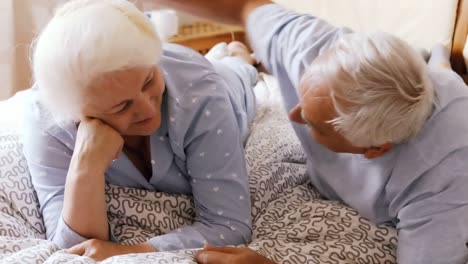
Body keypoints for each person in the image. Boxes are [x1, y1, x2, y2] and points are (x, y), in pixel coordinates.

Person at [153, 0, 468, 263]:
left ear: (374, 150)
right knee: (435, 74)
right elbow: (247, 5)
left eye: (315, 123)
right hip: (410, 78)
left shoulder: (440, 185)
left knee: (447, 83)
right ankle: (434, 61)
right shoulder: (312, 45)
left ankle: (442, 66)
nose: (293, 114)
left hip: (449, 131)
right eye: (301, 98)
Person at [22, 0, 259, 261]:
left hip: (224, 85)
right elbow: (74, 251)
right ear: (77, 112)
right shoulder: (47, 121)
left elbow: (230, 226)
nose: (147, 110)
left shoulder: (200, 90)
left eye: (149, 81)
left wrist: (130, 251)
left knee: (236, 73)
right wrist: (85, 166)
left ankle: (239, 57)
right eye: (121, 105)